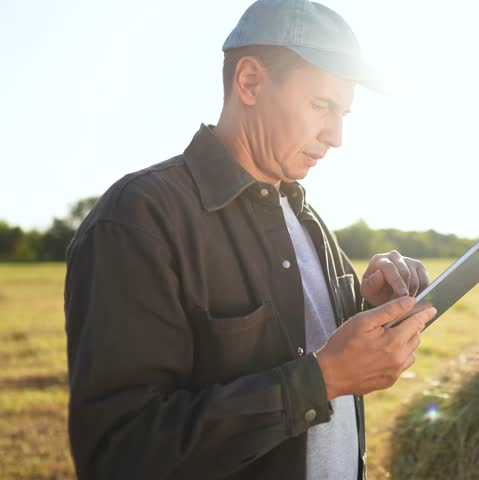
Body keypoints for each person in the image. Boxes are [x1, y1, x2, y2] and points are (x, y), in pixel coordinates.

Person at [63, 1, 436, 479]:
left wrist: (366, 309)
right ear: (251, 82)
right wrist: (319, 381)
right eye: (322, 105)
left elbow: (314, 353)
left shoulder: (309, 221)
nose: (336, 135)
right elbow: (119, 453)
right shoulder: (138, 218)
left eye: (344, 112)